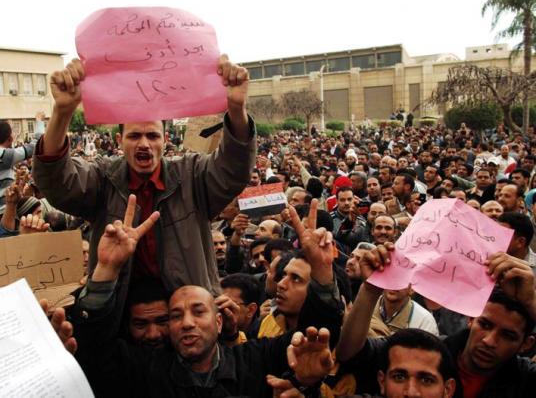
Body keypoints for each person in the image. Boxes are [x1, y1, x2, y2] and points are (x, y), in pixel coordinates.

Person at [34, 56, 257, 334]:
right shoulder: (102, 178)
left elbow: (234, 169)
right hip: (119, 323)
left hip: (188, 323)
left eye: (153, 136)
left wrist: (237, 109)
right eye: (134, 136)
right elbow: (58, 183)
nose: (144, 144)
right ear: (119, 141)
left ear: (165, 140)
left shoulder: (192, 176)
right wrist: (63, 112)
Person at [72, 196, 341, 398]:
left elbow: (316, 334)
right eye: (176, 315)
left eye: (199, 311)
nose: (187, 322)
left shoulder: (255, 361)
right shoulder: (144, 371)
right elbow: (94, 349)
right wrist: (106, 268)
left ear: (220, 321)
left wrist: (321, 268)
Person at [337, 242, 536, 397]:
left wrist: (532, 302)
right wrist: (370, 290)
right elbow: (350, 353)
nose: (489, 341)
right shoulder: (426, 351)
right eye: (485, 325)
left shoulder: (526, 379)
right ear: (470, 319)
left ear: (526, 344)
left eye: (508, 335)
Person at [0, 120, 44, 205]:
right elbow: (35, 146)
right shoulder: (4, 155)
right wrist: (39, 121)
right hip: (4, 210)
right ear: (10, 138)